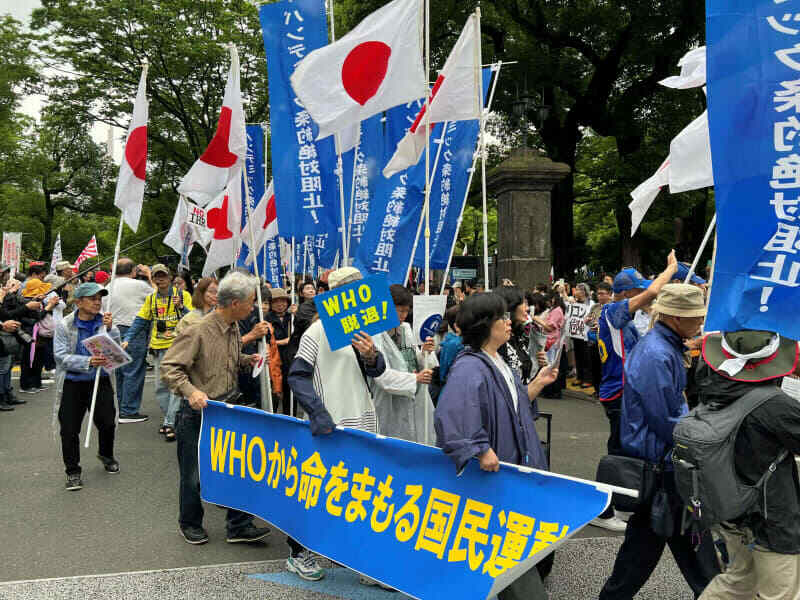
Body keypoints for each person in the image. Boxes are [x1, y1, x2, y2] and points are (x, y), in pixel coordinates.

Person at [599, 284, 719, 599]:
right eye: (695, 317)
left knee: (656, 548)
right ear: (677, 318)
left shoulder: (663, 345)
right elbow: (667, 419)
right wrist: (706, 440)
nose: (699, 323)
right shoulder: (657, 353)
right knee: (684, 546)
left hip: (664, 466)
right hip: (665, 467)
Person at [435, 292, 558, 600]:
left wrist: (538, 384)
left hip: (512, 468)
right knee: (506, 554)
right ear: (485, 325)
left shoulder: (496, 360)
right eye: (502, 317)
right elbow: (452, 416)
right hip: (496, 475)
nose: (508, 322)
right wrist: (480, 448)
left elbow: (515, 406)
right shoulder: (470, 367)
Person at [286, 266, 389, 584]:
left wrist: (371, 355)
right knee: (317, 488)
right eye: (354, 288)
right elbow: (297, 376)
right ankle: (298, 553)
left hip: (363, 420)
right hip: (328, 422)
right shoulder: (316, 331)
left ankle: (357, 557)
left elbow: (378, 370)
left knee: (359, 490)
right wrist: (318, 413)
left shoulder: (366, 328)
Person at [160, 272, 270, 546]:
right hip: (198, 412)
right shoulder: (198, 329)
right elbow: (170, 368)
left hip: (228, 407)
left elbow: (225, 360)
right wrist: (192, 391)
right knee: (193, 475)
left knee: (238, 468)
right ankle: (190, 523)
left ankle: (238, 525)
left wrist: (247, 359)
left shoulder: (233, 327)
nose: (253, 307)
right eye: (250, 302)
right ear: (234, 303)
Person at [692, 330, 800, 599]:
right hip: (770, 514)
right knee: (780, 594)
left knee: (738, 582)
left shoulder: (712, 389)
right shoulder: (774, 403)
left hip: (731, 506)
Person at [591, 252, 678, 531]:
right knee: (616, 451)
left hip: (624, 391)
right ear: (626, 292)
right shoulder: (613, 313)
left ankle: (623, 501)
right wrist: (671, 269)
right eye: (639, 290)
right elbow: (654, 290)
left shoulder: (624, 318)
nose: (646, 295)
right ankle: (602, 511)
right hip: (617, 392)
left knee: (627, 449)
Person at [54, 282, 120, 491]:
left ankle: (106, 454)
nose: (97, 302)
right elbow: (60, 356)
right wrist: (87, 362)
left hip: (99, 381)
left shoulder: (105, 322)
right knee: (69, 429)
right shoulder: (65, 324)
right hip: (72, 383)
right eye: (93, 298)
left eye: (99, 298)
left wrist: (110, 330)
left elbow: (115, 351)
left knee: (108, 422)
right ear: (79, 302)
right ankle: (72, 471)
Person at [122, 264, 193, 442]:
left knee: (176, 385)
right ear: (153, 279)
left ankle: (170, 423)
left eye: (163, 276)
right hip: (158, 347)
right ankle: (172, 419)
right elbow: (140, 320)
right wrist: (128, 337)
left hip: (179, 347)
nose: (160, 279)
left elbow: (194, 318)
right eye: (157, 277)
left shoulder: (183, 295)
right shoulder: (151, 299)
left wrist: (182, 307)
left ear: (170, 278)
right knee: (161, 387)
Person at [371, 284, 437, 444]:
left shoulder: (406, 329)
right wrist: (414, 379)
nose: (403, 315)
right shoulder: (375, 334)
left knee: (419, 439)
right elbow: (382, 377)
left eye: (406, 311)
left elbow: (416, 359)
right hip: (388, 402)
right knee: (391, 444)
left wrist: (425, 352)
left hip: (416, 398)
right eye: (399, 310)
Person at [109, 259, 153, 423]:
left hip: (112, 330)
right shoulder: (139, 285)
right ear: (134, 271)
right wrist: (149, 276)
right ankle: (128, 410)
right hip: (132, 329)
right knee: (133, 370)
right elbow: (160, 297)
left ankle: (122, 407)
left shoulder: (109, 285)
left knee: (120, 371)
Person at [237, 285, 281, 410]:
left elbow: (271, 351)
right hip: (243, 373)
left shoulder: (267, 321)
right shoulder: (239, 319)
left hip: (263, 370)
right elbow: (231, 346)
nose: (263, 306)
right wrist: (252, 335)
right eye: (258, 302)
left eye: (266, 302)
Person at [496, 287, 534, 383]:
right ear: (511, 306)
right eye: (523, 303)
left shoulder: (518, 336)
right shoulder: (497, 343)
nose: (528, 308)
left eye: (527, 303)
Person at [266, 288, 293, 415]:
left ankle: (290, 419)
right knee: (274, 393)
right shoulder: (266, 319)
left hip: (289, 360)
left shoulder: (292, 317)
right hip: (273, 360)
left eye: (283, 301)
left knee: (290, 393)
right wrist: (283, 341)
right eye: (276, 301)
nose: (280, 304)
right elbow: (265, 342)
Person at [571, 283, 594, 389]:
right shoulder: (574, 303)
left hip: (586, 333)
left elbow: (593, 316)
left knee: (586, 357)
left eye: (578, 290)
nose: (576, 292)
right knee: (578, 355)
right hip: (576, 333)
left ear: (584, 291)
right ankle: (579, 377)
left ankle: (588, 379)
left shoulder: (591, 303)